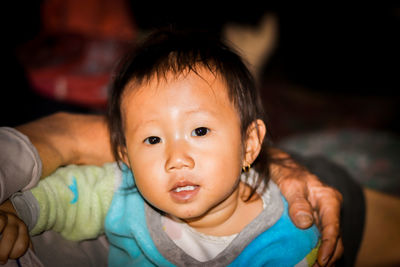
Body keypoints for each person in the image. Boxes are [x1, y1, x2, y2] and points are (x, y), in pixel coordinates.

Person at [0, 28, 348, 266]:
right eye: (152, 140)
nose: (176, 159)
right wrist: (19, 213)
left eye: (199, 130)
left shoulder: (288, 239)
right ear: (125, 156)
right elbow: (63, 196)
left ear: (249, 144)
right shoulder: (123, 192)